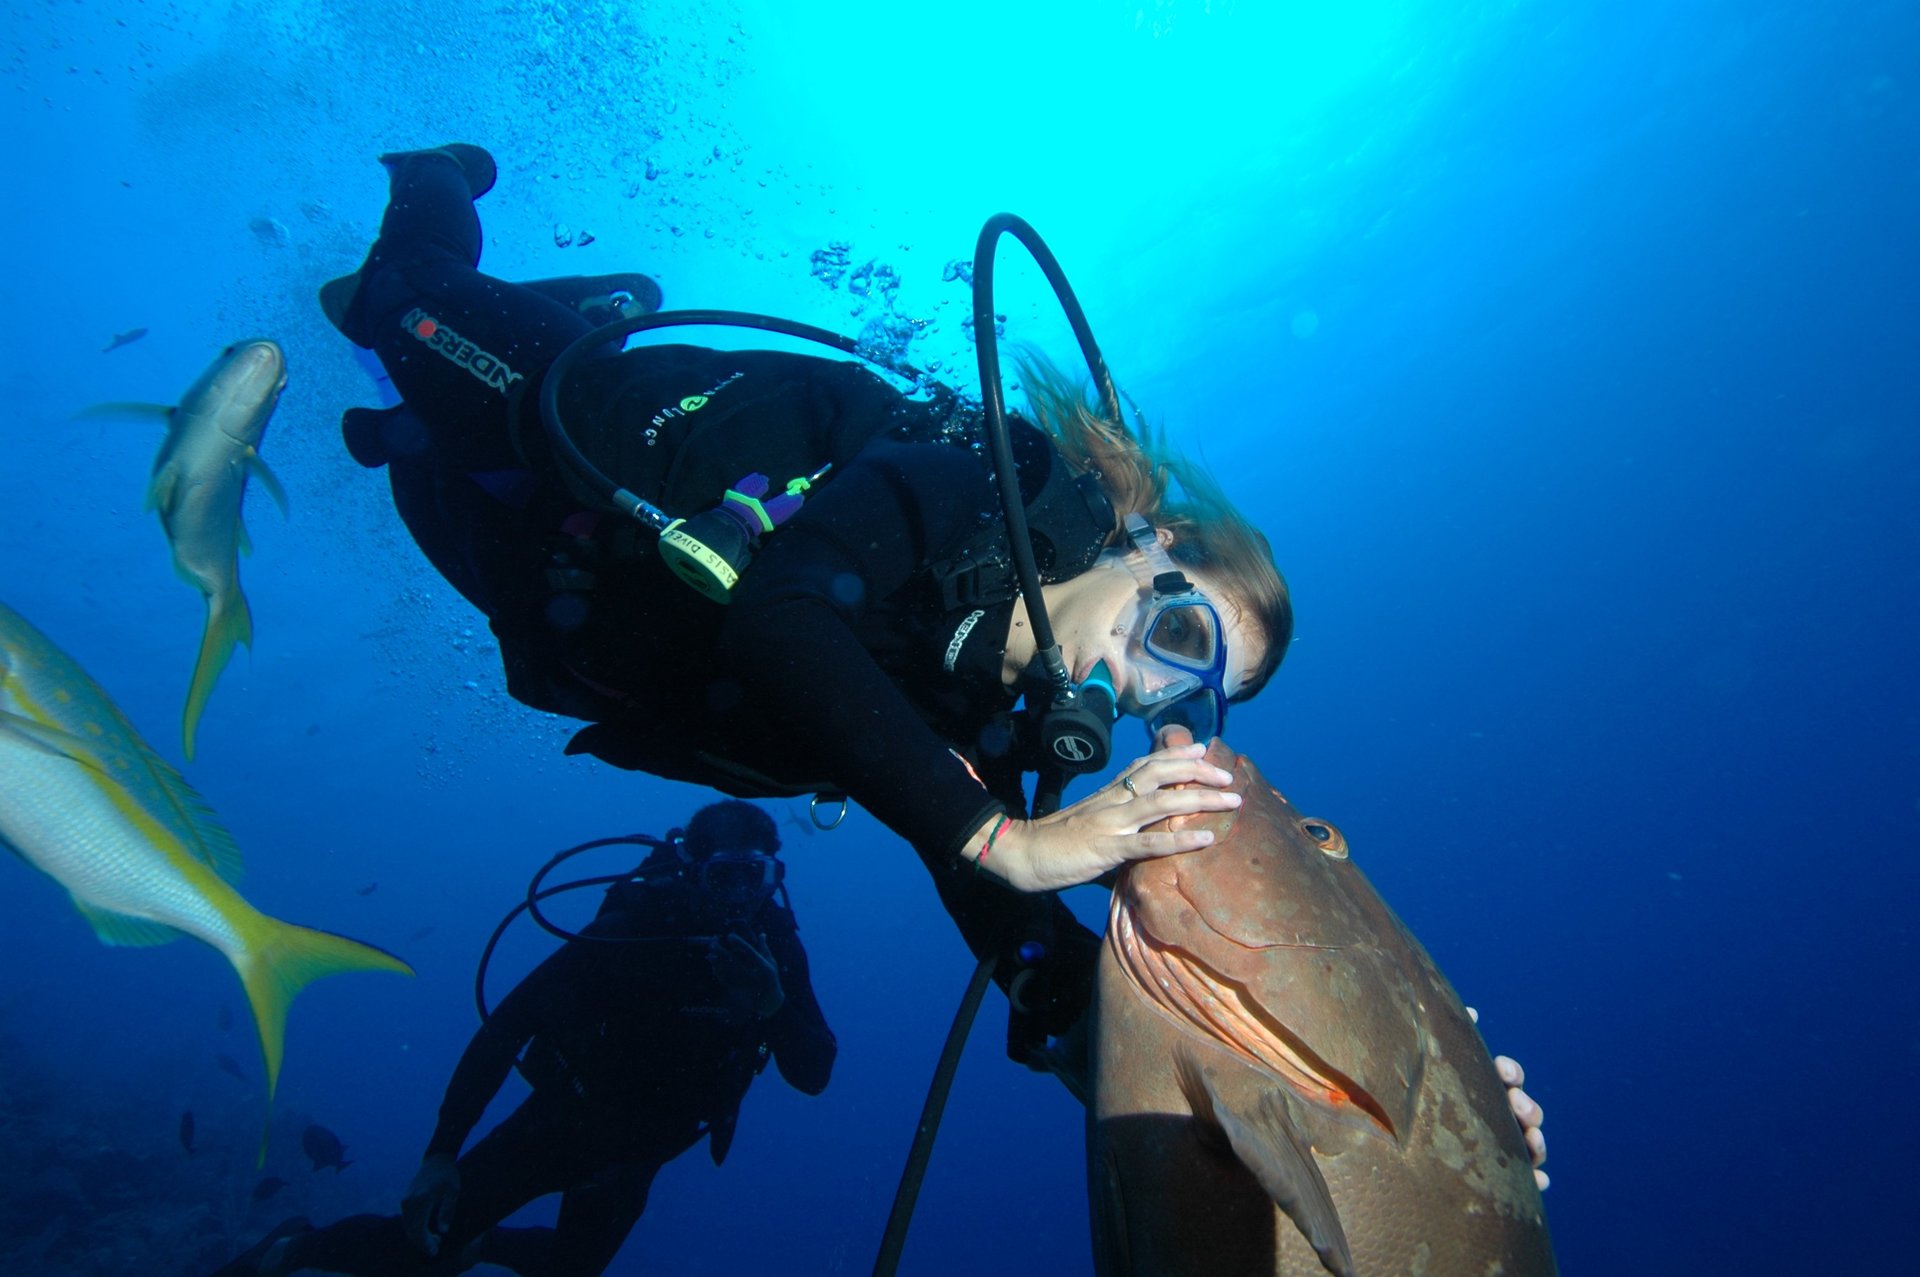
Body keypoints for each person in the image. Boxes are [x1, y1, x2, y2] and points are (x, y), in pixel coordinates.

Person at [319, 146, 1543, 1188]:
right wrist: (1006, 839)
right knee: (386, 301)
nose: (1137, 681)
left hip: (540, 592)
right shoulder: (983, 484)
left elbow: (1026, 947)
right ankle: (440, 189)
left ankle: (411, 431)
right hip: (584, 428)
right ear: (1146, 546)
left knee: (416, 449)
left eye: (1181, 692)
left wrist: (1387, 1098)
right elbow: (785, 618)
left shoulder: (985, 722)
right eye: (1176, 631)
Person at [220, 801, 836, 1276]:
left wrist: (774, 1003)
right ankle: (293, 1249)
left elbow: (813, 1074)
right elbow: (505, 1030)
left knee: (572, 1270)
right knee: (409, 1254)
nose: (741, 899)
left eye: (756, 879)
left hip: (646, 1149)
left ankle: (478, 1246)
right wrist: (441, 1153)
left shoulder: (776, 947)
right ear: (692, 872)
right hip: (562, 1124)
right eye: (726, 877)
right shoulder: (629, 933)